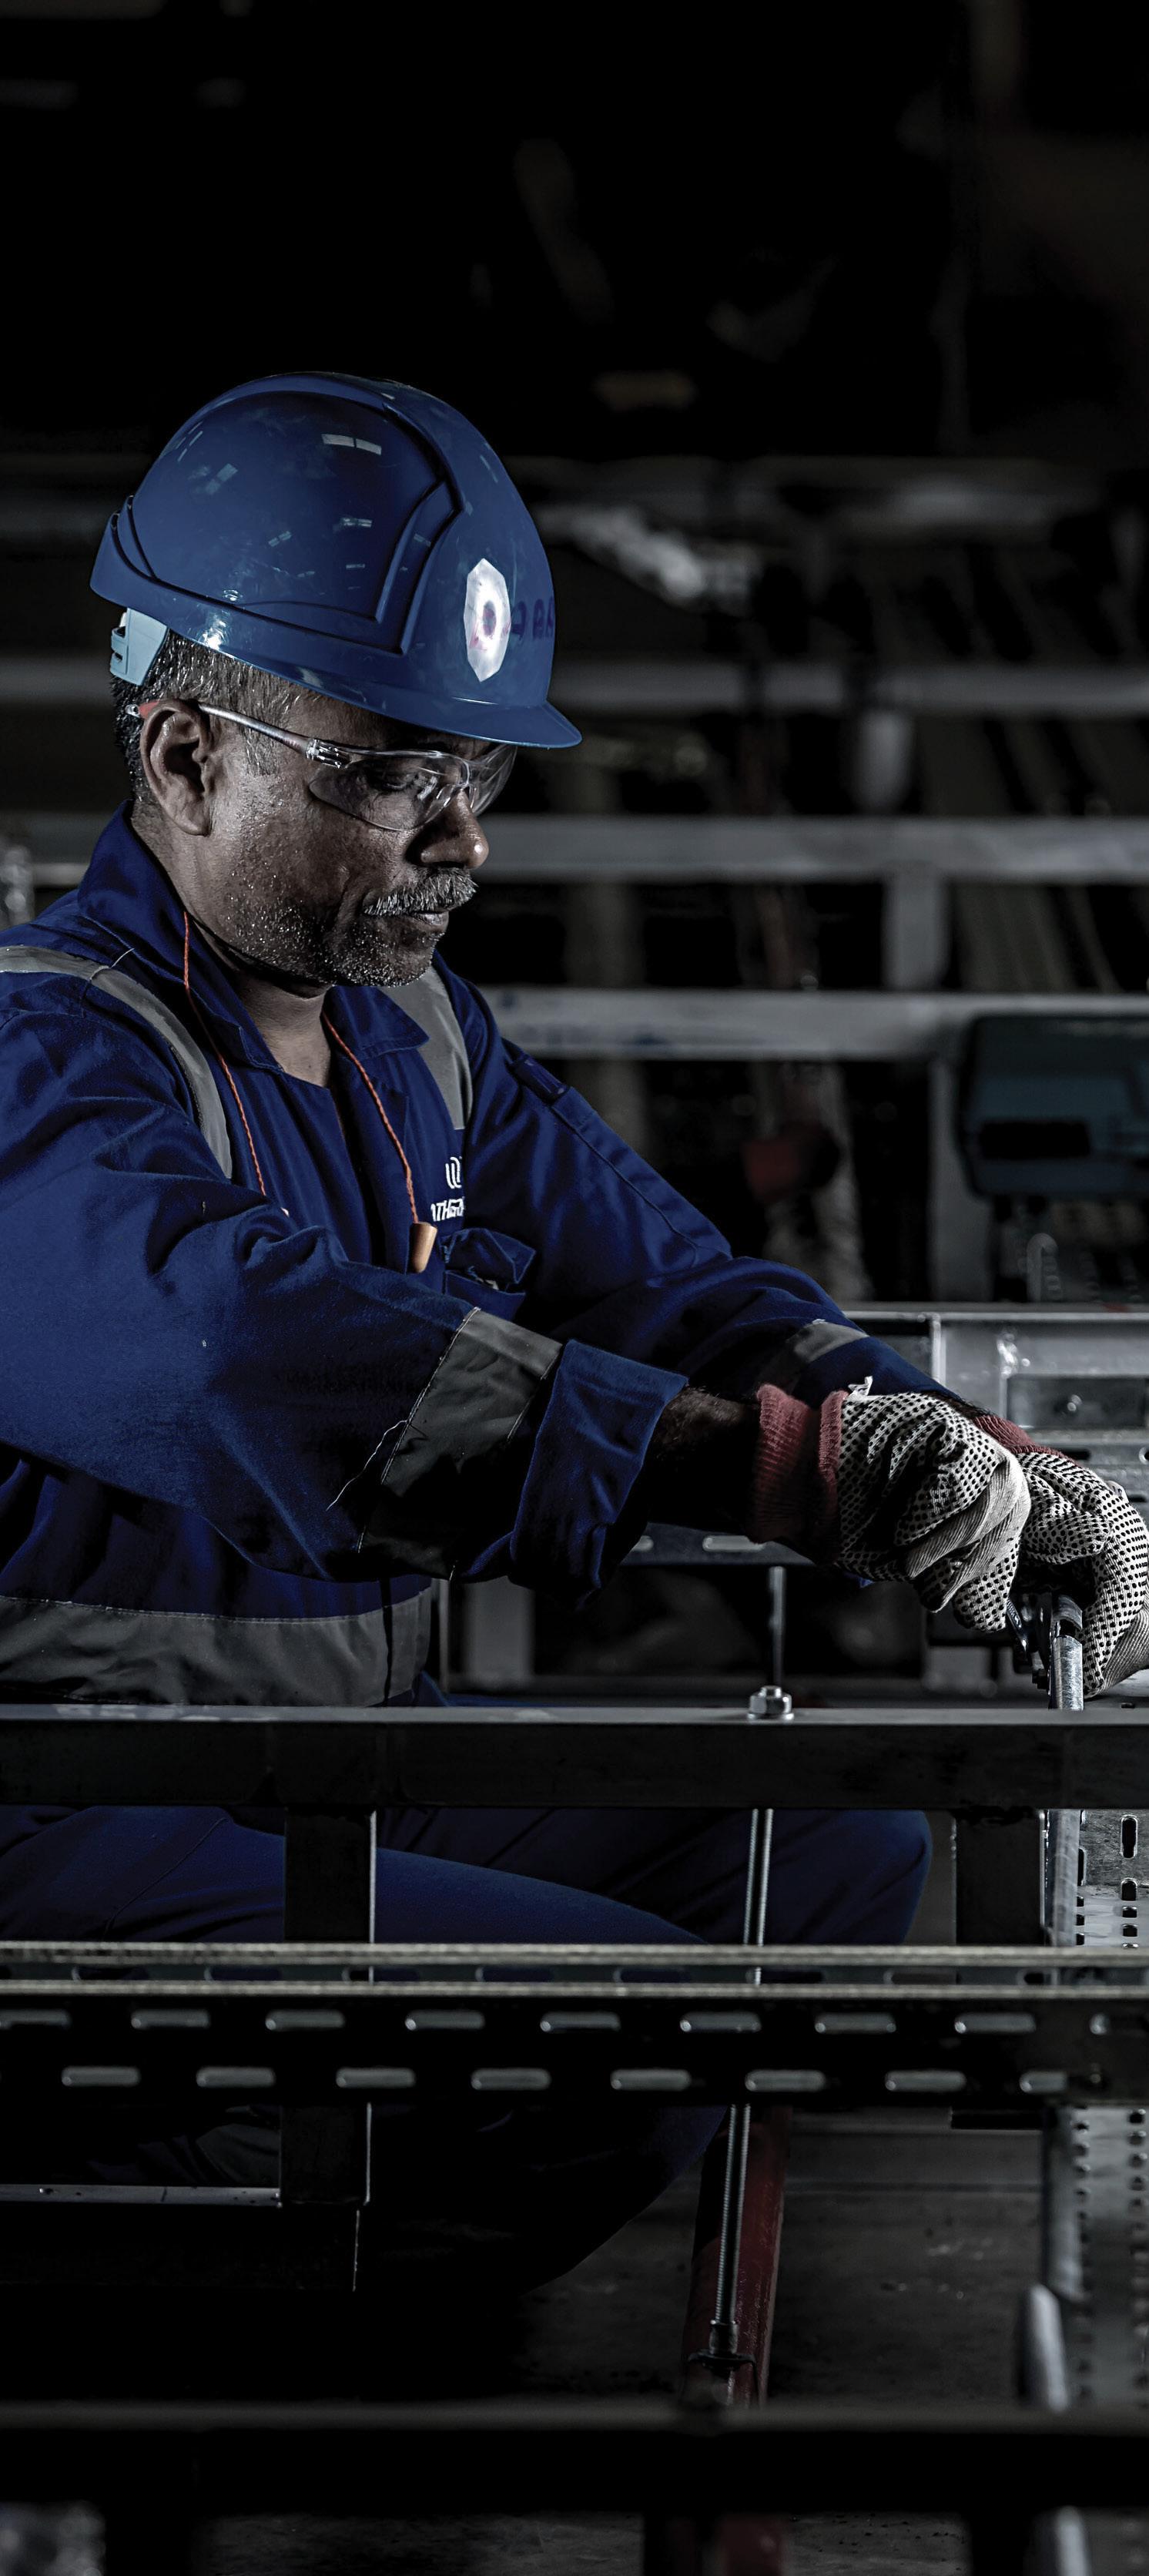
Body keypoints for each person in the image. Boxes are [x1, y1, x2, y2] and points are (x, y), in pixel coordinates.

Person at [0, 371, 1141, 2260]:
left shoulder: (414, 1040)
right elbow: (251, 1362)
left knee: (819, 1855)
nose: (463, 840)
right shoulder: (44, 1064)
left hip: (331, 1765)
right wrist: (779, 1472)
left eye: (482, 773)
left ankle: (366, 2201)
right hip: (69, 1809)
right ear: (185, 756)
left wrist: (949, 1452)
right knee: (630, 2044)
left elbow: (673, 1287)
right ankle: (138, 2272)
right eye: (393, 772)